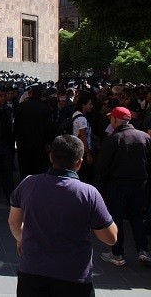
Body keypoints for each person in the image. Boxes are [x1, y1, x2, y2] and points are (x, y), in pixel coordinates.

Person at [8, 134, 117, 296]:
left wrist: (22, 239)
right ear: (79, 162)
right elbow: (110, 237)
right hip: (73, 276)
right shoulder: (88, 193)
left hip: (32, 271)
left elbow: (14, 222)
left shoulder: (28, 183)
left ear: (51, 156)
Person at [96, 107, 151, 266]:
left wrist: (100, 186)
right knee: (137, 218)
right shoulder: (144, 137)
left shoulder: (113, 139)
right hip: (140, 184)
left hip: (117, 185)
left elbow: (103, 166)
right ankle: (143, 250)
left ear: (114, 120)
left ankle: (117, 253)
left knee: (117, 219)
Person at [14, 84, 53, 180]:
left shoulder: (22, 106)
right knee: (39, 170)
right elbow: (48, 127)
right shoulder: (45, 107)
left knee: (25, 169)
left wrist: (17, 139)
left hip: (24, 144)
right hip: (40, 144)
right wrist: (48, 142)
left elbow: (16, 125)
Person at [71, 92, 95, 184]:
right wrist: (88, 153)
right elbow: (83, 136)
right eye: (89, 104)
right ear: (83, 105)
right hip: (83, 151)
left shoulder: (75, 114)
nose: (91, 106)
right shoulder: (82, 119)